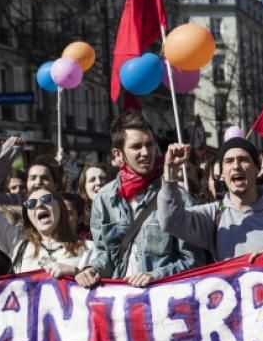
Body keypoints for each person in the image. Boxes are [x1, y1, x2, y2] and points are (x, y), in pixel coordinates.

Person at [76, 110, 202, 288]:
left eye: (150, 145)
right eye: (136, 146)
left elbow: (194, 261)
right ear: (118, 154)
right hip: (121, 303)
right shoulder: (104, 199)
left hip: (162, 302)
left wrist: (156, 276)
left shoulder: (178, 197)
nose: (146, 152)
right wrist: (92, 269)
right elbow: (106, 256)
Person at [158, 137, 263, 262]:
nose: (236, 166)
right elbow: (171, 221)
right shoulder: (214, 215)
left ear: (257, 169)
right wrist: (170, 174)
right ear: (223, 173)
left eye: (243, 160)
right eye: (229, 161)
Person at [0, 138, 92, 276]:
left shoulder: (89, 249)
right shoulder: (18, 244)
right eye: (31, 203)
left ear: (61, 208)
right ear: (28, 215)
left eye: (46, 199)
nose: (39, 205)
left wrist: (77, 272)